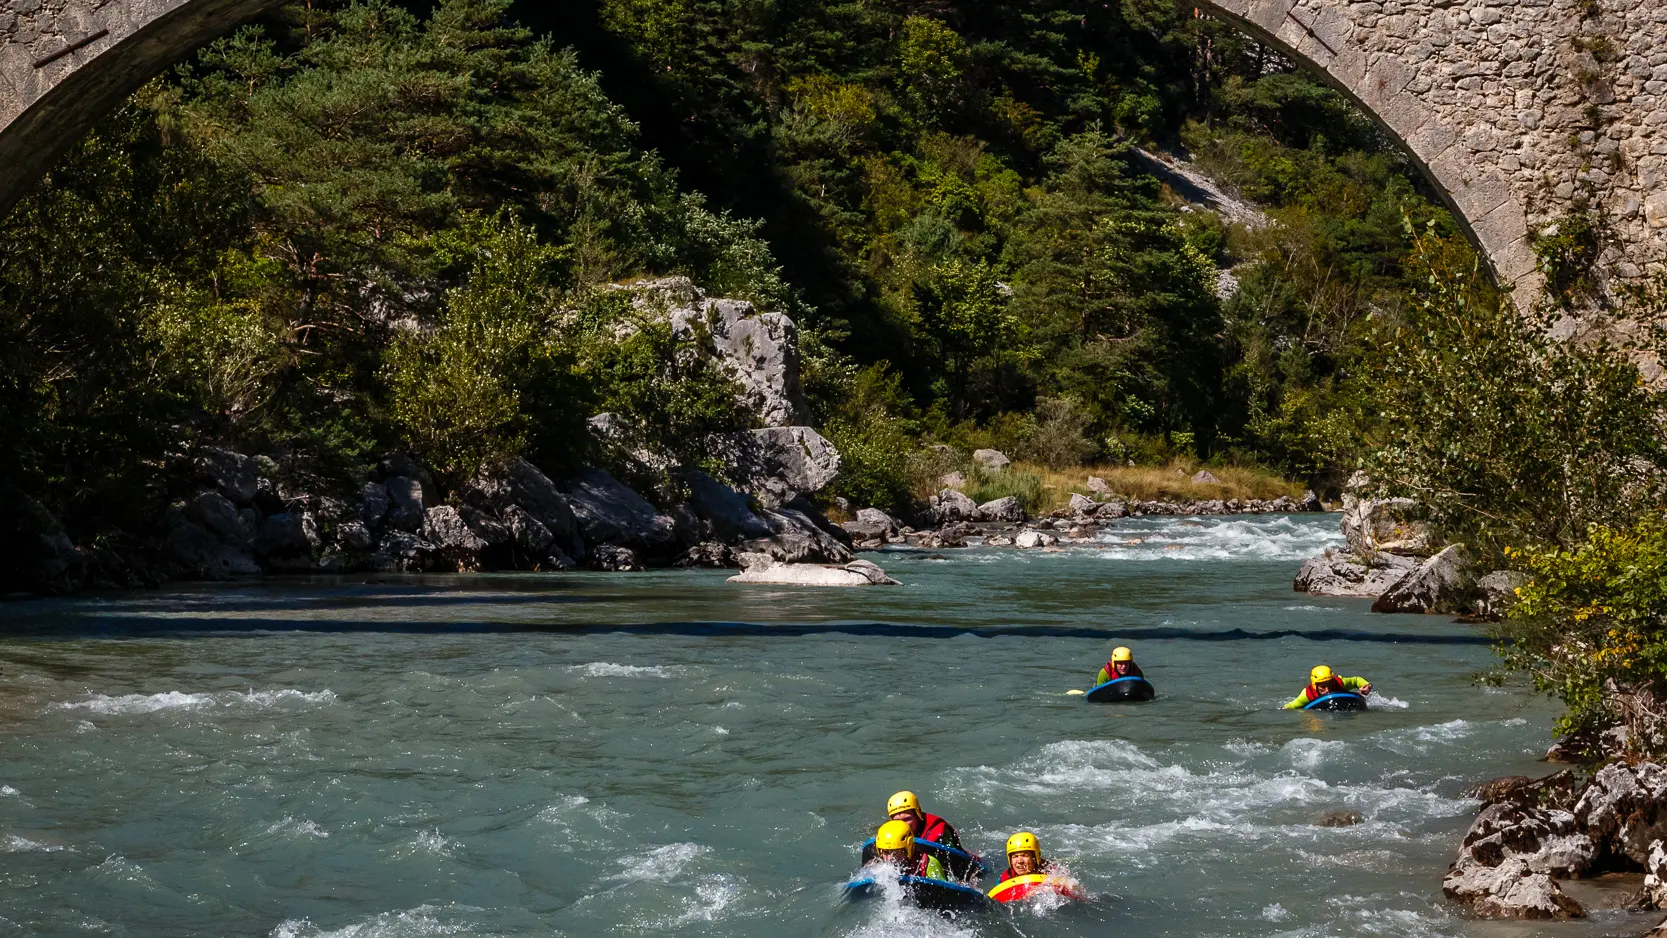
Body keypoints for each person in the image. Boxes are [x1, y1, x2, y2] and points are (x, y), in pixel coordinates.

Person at [886, 790, 964, 852]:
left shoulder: (939, 831)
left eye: (907, 819)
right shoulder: (889, 833)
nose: (903, 824)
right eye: (897, 821)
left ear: (918, 815)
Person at [871, 820, 946, 879]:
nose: (890, 858)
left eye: (896, 852)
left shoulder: (929, 864)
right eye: (886, 852)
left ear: (908, 849)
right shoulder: (875, 867)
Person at [1282, 664, 1373, 709]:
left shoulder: (1339, 682)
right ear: (1315, 685)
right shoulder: (1307, 694)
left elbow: (1356, 680)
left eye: (1330, 685)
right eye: (1323, 687)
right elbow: (1291, 706)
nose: (1327, 690)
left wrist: (1366, 685)